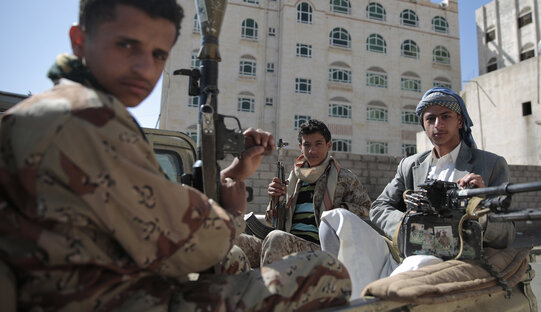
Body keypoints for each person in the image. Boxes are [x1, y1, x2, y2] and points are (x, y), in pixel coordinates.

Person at [0, 1, 351, 311]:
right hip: (116, 297)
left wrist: (233, 175)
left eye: (158, 54)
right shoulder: (88, 119)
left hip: (92, 282)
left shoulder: (42, 113)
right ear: (79, 40)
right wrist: (233, 208)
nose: (144, 67)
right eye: (126, 45)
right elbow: (196, 243)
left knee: (234, 259)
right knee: (325, 272)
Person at [319, 87, 515, 299]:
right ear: (424, 124)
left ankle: (372, 302)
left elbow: (508, 232)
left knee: (418, 262)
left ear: (459, 121)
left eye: (445, 116)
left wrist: (480, 205)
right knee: (333, 219)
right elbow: (379, 207)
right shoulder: (410, 165)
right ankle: (351, 300)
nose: (438, 125)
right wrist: (408, 226)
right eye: (431, 119)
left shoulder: (490, 164)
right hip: (403, 248)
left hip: (447, 259)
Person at [235, 119, 372, 267]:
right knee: (233, 241)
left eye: (318, 144)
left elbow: (367, 210)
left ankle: (268, 289)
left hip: (320, 250)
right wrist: (275, 200)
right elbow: (271, 221)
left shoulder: (345, 178)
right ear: (301, 147)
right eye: (307, 145)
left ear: (329, 145)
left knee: (276, 238)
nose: (312, 150)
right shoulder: (294, 179)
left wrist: (338, 213)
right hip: (285, 242)